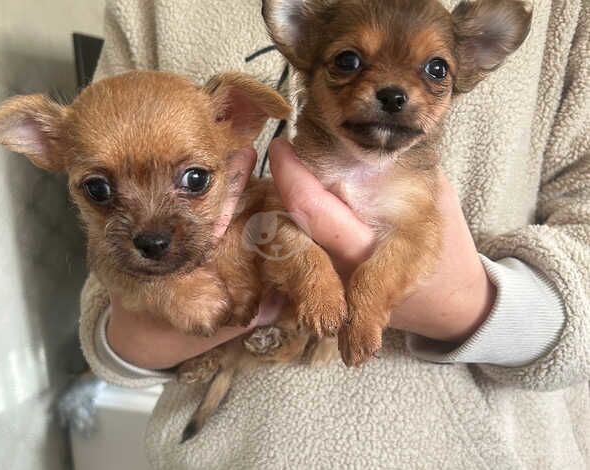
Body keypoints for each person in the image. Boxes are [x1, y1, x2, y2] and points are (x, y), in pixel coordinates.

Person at [80, 0, 589, 468]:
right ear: (302, 42)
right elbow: (110, 313)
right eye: (348, 62)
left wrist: (465, 305)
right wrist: (149, 316)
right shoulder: (156, 10)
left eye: (435, 71)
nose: (394, 89)